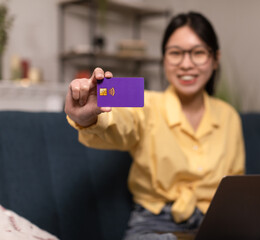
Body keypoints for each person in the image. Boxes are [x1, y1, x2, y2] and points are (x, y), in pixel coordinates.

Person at [65, 11, 245, 240]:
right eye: (175, 53)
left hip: (215, 224)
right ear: (163, 60)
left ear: (215, 59)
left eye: (198, 53)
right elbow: (116, 118)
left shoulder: (229, 115)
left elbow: (236, 190)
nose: (186, 64)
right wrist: (87, 116)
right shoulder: (142, 98)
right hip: (154, 225)